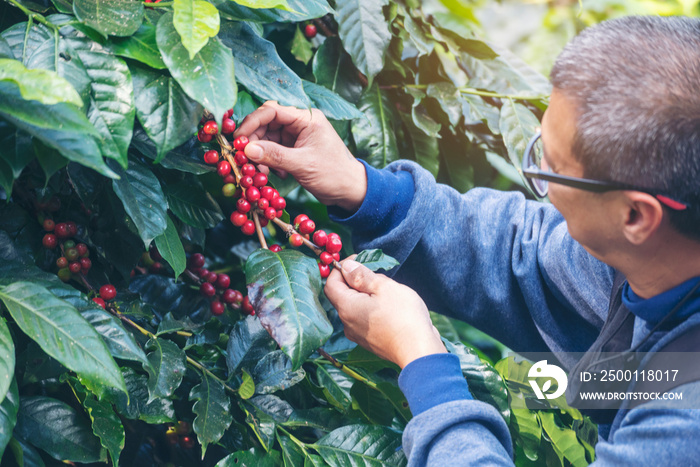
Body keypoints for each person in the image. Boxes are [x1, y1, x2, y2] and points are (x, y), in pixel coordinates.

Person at [233, 15, 700, 465]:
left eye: (550, 168)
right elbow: (525, 255)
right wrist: (366, 190)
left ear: (637, 216)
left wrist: (423, 362)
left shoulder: (684, 427)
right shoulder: (660, 262)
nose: (541, 181)